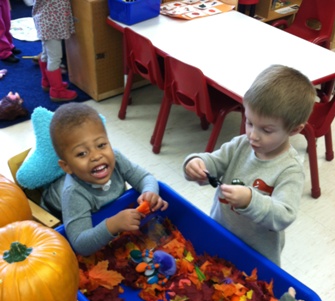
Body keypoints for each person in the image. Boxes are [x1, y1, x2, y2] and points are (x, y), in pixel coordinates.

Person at [183, 64, 316, 266]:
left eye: (266, 130)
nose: (253, 135)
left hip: (258, 254)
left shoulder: (290, 170)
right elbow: (214, 162)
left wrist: (249, 200)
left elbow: (284, 215)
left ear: (294, 130)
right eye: (249, 122)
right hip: (220, 232)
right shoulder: (241, 145)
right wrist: (196, 163)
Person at [41, 103, 168, 256]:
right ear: (67, 166)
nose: (96, 156)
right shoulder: (74, 193)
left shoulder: (117, 158)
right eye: (82, 153)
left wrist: (150, 192)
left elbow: (145, 177)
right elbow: (80, 244)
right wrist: (113, 225)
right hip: (56, 213)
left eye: (101, 145)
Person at [32, 0, 77, 101]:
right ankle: (57, 91)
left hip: (44, 21)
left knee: (46, 53)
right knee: (55, 58)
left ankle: (47, 82)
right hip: (52, 24)